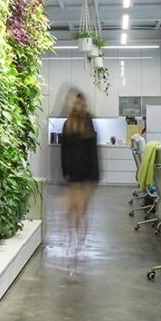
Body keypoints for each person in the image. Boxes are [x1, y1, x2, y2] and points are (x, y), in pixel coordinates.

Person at [60, 92, 99, 251]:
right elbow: (64, 151)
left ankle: (80, 242)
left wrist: (95, 175)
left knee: (82, 209)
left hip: (88, 173)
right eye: (75, 103)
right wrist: (65, 171)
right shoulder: (68, 124)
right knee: (72, 209)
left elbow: (93, 151)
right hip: (73, 172)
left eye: (80, 103)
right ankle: (71, 240)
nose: (78, 106)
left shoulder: (88, 121)